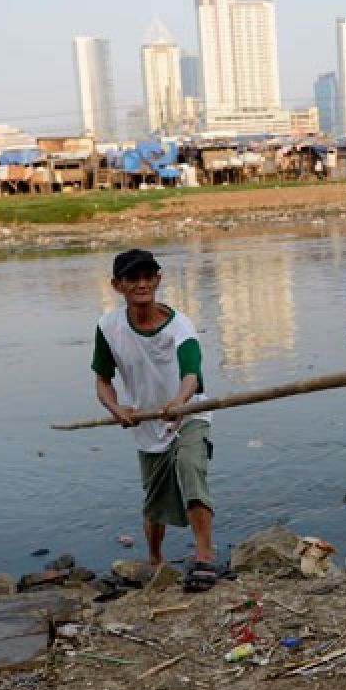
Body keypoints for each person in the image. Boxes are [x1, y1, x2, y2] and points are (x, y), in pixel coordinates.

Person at [91, 249, 218, 591]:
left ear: (158, 280)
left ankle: (204, 556)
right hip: (146, 421)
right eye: (133, 279)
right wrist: (116, 409)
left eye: (149, 277)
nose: (142, 284)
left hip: (189, 412)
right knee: (154, 498)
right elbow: (103, 381)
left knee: (191, 468)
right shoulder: (109, 327)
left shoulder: (180, 326)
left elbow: (191, 374)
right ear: (118, 286)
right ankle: (156, 560)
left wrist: (179, 402)